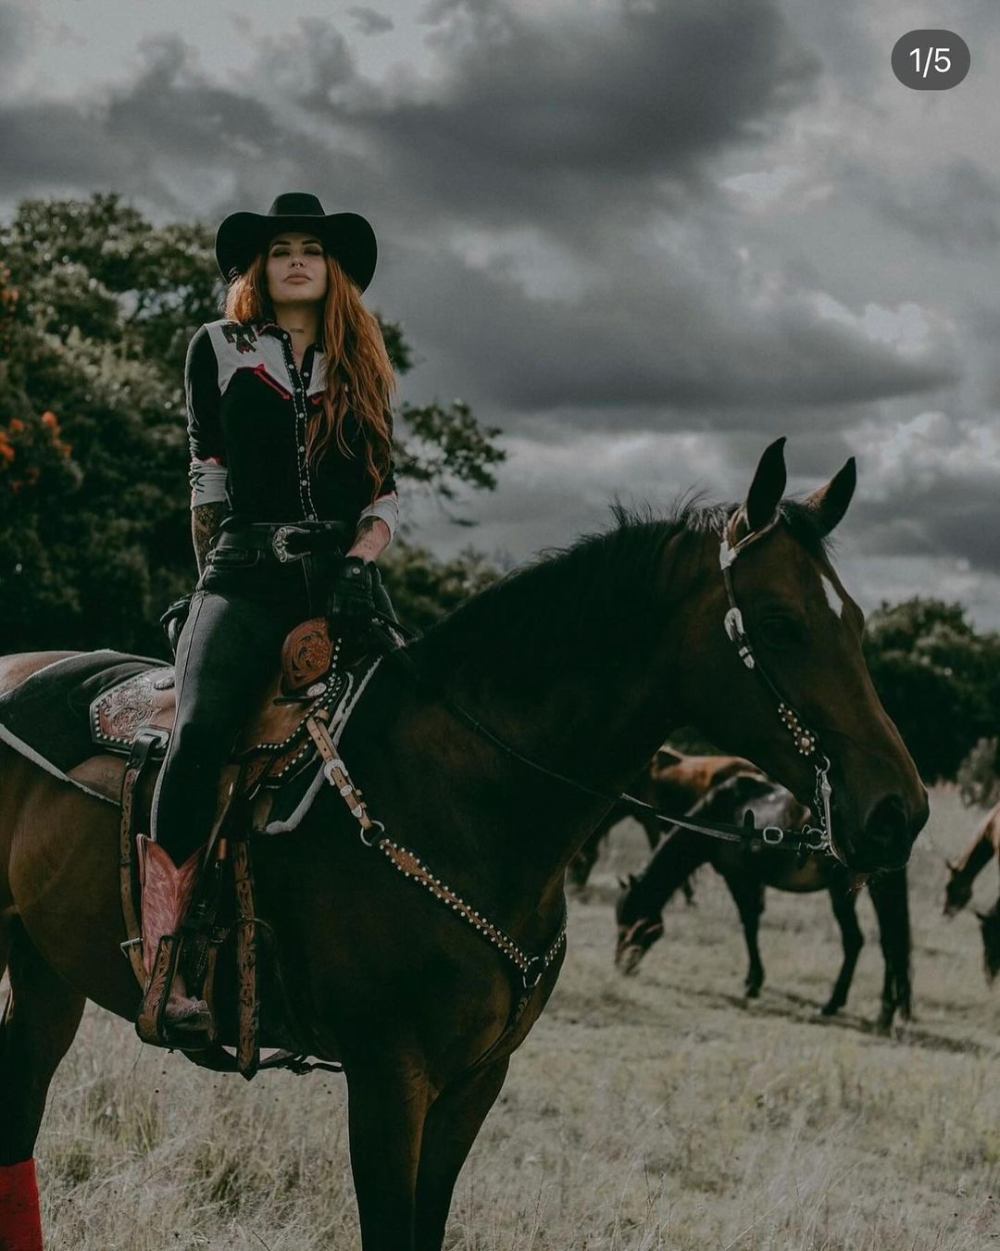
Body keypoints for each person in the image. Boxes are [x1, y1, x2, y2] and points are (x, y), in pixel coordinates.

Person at [138, 192, 400, 1042]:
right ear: (260, 267)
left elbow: (385, 493)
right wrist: (206, 576)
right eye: (281, 248)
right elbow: (206, 478)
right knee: (201, 733)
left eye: (311, 251)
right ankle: (166, 954)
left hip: (342, 582)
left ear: (333, 272)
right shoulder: (217, 347)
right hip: (246, 577)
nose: (295, 260)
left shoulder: (361, 360)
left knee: (418, 720)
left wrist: (361, 563)